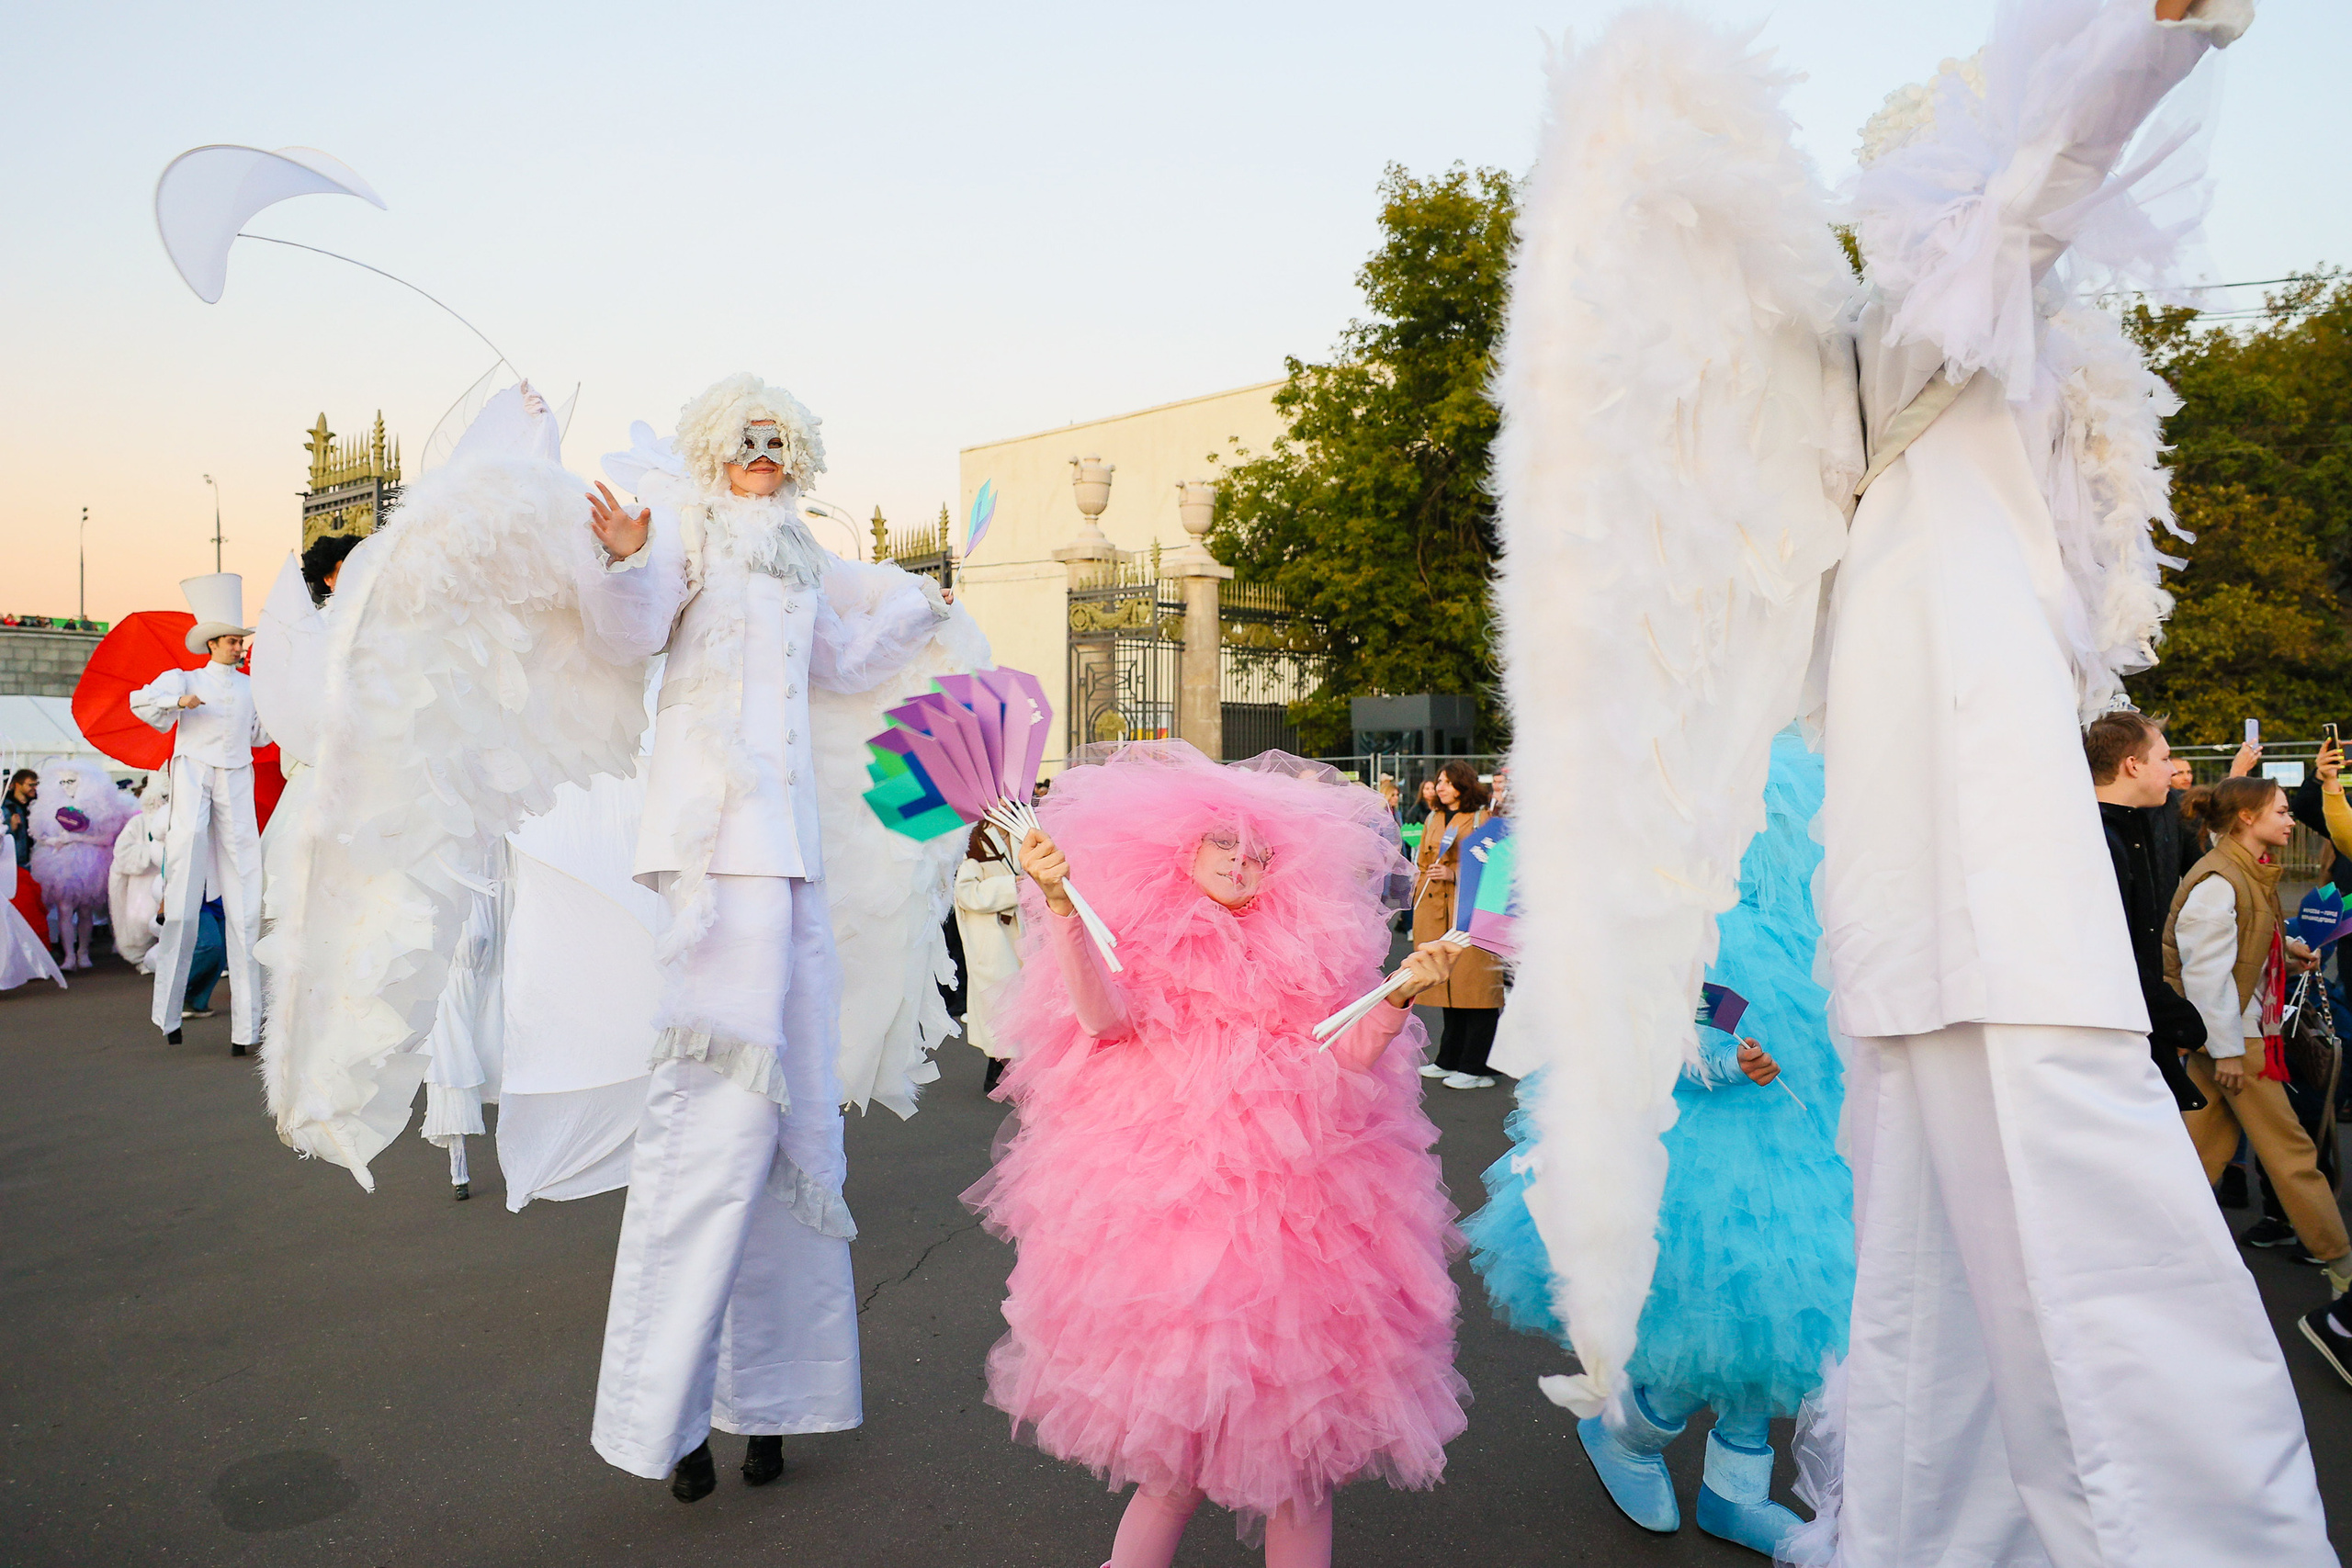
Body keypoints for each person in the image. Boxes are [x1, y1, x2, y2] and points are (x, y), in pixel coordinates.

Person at [1488, 5, 2333, 1564]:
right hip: (1962, 901)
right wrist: (2160, 37)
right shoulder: (1916, 350)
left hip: (1955, 911)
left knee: (1973, 1309)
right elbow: (2036, 178)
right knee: (2036, 1294)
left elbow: (2027, 198)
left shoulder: (1932, 392)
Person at [576, 374, 958, 1501]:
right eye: (745, 438)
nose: (763, 452)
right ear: (713, 448)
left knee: (794, 1124)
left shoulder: (797, 555)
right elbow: (631, 634)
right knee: (708, 1124)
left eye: (780, 440)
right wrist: (627, 558)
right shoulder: (684, 532)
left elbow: (838, 664)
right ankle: (671, 1417)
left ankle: (774, 1396)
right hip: (714, 852)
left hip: (790, 852)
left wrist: (916, 609)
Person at [967, 743, 1469, 1568]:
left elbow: (1345, 1058)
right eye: (1223, 842)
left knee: (1300, 1460)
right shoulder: (1141, 934)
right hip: (1183, 1222)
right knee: (1177, 1460)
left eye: (1258, 849)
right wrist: (1060, 902)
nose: (1243, 860)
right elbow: (1101, 1018)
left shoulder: (1306, 941)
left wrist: (1401, 990)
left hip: (1302, 1226)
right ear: (1184, 848)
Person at [1466, 734, 1849, 1559]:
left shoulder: (1808, 921)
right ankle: (1628, 1432)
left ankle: (1736, 1491)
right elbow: (1650, 1038)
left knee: (1776, 1324)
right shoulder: (1675, 919)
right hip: (1699, 1158)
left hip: (1797, 1153)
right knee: (1704, 1317)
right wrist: (1724, 1060)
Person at [2165, 774, 2352, 1290]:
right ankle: (2341, 1264)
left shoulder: (2239, 872)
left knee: (2198, 1156)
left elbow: (2239, 950)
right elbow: (2207, 980)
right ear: (2248, 817)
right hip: (2240, 1042)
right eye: (2284, 811)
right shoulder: (2221, 881)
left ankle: (2156, 1253)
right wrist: (2227, 1051)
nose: (2293, 821)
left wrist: (2286, 949)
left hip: (2233, 1039)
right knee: (2293, 1155)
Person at [129, 575, 268, 1053]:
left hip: (236, 777)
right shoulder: (184, 678)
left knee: (246, 898)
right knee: (184, 897)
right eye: (233, 640)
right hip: (193, 778)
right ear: (212, 642)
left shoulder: (252, 686)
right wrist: (179, 701)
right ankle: (168, 1012)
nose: (239, 647)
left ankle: (248, 1026)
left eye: (241, 640)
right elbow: (141, 702)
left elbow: (258, 736)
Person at [2086, 712, 2209, 1111]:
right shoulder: (2098, 840)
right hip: (2112, 1040)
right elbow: (2111, 951)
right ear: (2132, 765)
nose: (2174, 771)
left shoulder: (2127, 830)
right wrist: (2174, 1015)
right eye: (2165, 759)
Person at [1409, 760, 1505, 1089]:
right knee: (1448, 988)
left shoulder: (1483, 818)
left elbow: (1494, 868)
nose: (1441, 786)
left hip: (1471, 914)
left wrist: (1454, 875)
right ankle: (1448, 1058)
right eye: (1439, 781)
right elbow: (1423, 860)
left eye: (1448, 781)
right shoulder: (1434, 816)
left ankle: (1476, 1066)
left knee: (1476, 990)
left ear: (1464, 784)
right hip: (1436, 910)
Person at [952, 820, 1023, 1093]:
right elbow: (966, 893)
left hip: (1021, 935)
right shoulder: (974, 839)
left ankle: (1007, 1074)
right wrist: (1012, 886)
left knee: (1020, 1004)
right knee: (1001, 1004)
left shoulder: (1023, 834)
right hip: (991, 940)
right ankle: (999, 1075)